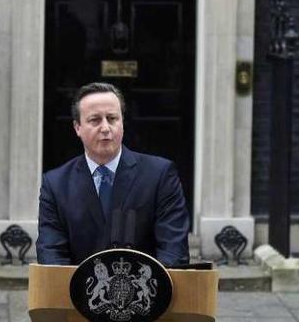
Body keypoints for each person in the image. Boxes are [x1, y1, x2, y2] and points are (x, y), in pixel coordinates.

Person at [36, 82, 190, 266]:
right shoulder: (55, 184)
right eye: (95, 120)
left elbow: (173, 252)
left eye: (112, 118)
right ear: (77, 127)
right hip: (79, 291)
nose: (105, 128)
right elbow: (52, 256)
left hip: (146, 290)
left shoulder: (160, 175)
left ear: (122, 123)